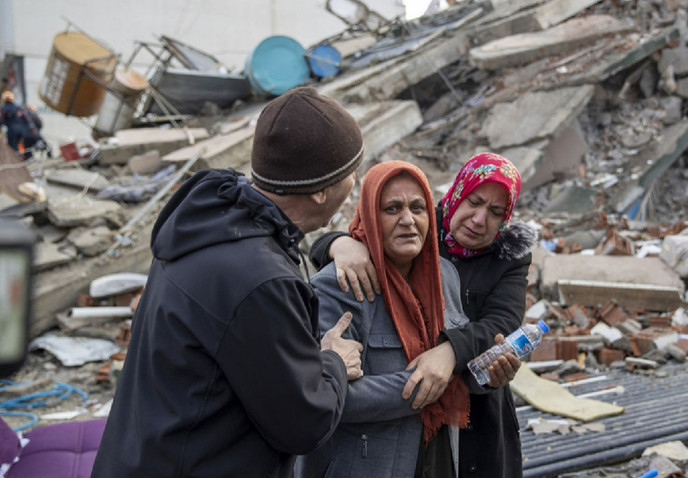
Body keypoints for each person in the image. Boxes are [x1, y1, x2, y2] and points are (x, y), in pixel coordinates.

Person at [91, 86, 366, 478]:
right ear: (322, 191)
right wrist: (333, 361)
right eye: (349, 173)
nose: (354, 182)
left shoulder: (208, 221)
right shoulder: (260, 280)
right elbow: (306, 423)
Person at [310, 152, 536, 477]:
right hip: (371, 457)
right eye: (474, 201)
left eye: (496, 212)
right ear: (454, 197)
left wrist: (474, 368)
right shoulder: (348, 280)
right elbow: (321, 393)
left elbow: (500, 325)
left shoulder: (443, 275)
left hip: (455, 436)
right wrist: (336, 244)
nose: (478, 219)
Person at [297, 160, 481, 478]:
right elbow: (323, 394)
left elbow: (461, 370)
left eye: (418, 207)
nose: (408, 220)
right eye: (392, 208)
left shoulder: (444, 276)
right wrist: (423, 385)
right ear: (370, 215)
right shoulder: (340, 284)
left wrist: (488, 374)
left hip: (436, 458)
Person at [0, 91, 26, 157]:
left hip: (12, 129)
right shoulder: (17, 107)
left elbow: (1, 120)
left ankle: (16, 160)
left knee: (13, 146)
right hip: (21, 129)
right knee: (20, 145)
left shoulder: (4, 108)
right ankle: (20, 158)